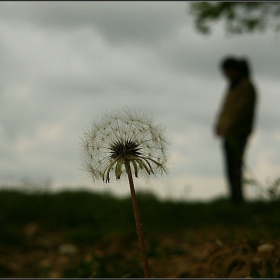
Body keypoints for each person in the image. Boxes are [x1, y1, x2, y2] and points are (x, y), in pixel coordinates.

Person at [214, 56, 257, 204]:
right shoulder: (233, 86)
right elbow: (225, 109)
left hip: (238, 133)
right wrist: (219, 125)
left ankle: (237, 201)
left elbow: (240, 111)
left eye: (226, 71)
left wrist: (225, 126)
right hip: (229, 133)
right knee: (230, 168)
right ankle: (235, 200)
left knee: (235, 168)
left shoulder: (246, 86)